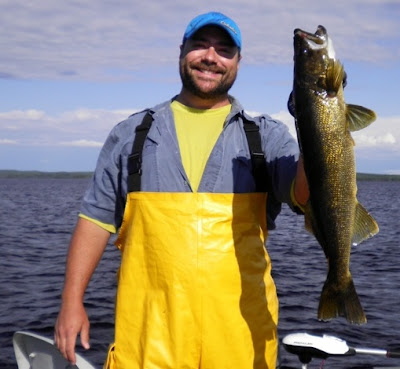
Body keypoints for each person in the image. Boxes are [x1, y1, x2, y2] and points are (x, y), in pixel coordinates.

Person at [55, 11, 309, 369]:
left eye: (224, 49)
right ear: (182, 51)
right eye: (200, 45)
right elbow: (95, 220)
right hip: (148, 343)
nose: (210, 57)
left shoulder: (266, 137)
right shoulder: (132, 135)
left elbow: (304, 195)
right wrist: (71, 301)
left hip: (241, 343)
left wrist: (322, 127)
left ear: (237, 62)